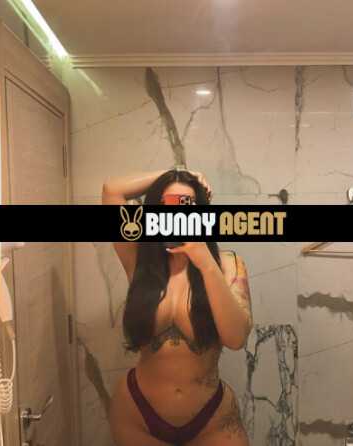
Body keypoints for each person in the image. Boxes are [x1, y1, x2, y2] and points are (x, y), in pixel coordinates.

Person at [102, 167, 253, 446]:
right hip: (137, 414)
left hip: (213, 420)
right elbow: (112, 191)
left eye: (187, 204)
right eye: (166, 204)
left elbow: (236, 339)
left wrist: (205, 262)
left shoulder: (227, 264)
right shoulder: (138, 259)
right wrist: (178, 172)